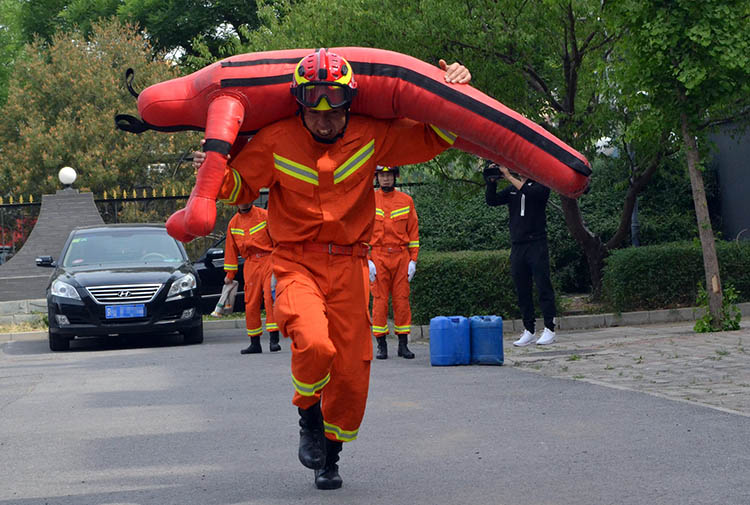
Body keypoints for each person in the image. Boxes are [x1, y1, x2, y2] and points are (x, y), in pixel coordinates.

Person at [193, 49, 469, 490]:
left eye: (334, 105)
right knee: (315, 342)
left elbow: (434, 137)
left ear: (349, 101)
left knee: (353, 370)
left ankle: (330, 455)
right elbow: (239, 185)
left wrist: (453, 86)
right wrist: (211, 165)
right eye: (313, 106)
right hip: (296, 262)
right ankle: (308, 415)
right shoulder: (277, 140)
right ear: (299, 102)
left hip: (351, 266)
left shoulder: (372, 136)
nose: (324, 118)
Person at [484, 160, 557, 346]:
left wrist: (509, 176)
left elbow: (531, 194)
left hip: (537, 243)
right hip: (518, 245)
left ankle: (549, 327)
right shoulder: (512, 190)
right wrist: (491, 181)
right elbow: (491, 201)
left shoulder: (541, 186)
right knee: (522, 287)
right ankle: (529, 329)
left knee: (542, 285)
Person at [369, 165, 419, 360]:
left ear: (395, 177)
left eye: (389, 175)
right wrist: (368, 261)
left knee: (402, 300)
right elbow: (361, 230)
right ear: (377, 178)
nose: (386, 179)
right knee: (380, 302)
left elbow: (413, 232)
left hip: (401, 256)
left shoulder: (406, 201)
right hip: (378, 256)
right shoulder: (369, 200)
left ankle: (403, 345)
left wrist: (413, 260)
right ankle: (381, 345)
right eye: (382, 175)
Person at [222, 202, 280, 354]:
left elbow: (278, 240)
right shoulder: (233, 223)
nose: (244, 202)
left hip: (269, 260)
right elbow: (231, 250)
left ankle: (274, 340)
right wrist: (230, 274)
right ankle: (255, 342)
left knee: (270, 298)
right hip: (251, 264)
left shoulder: (264, 215)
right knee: (251, 302)